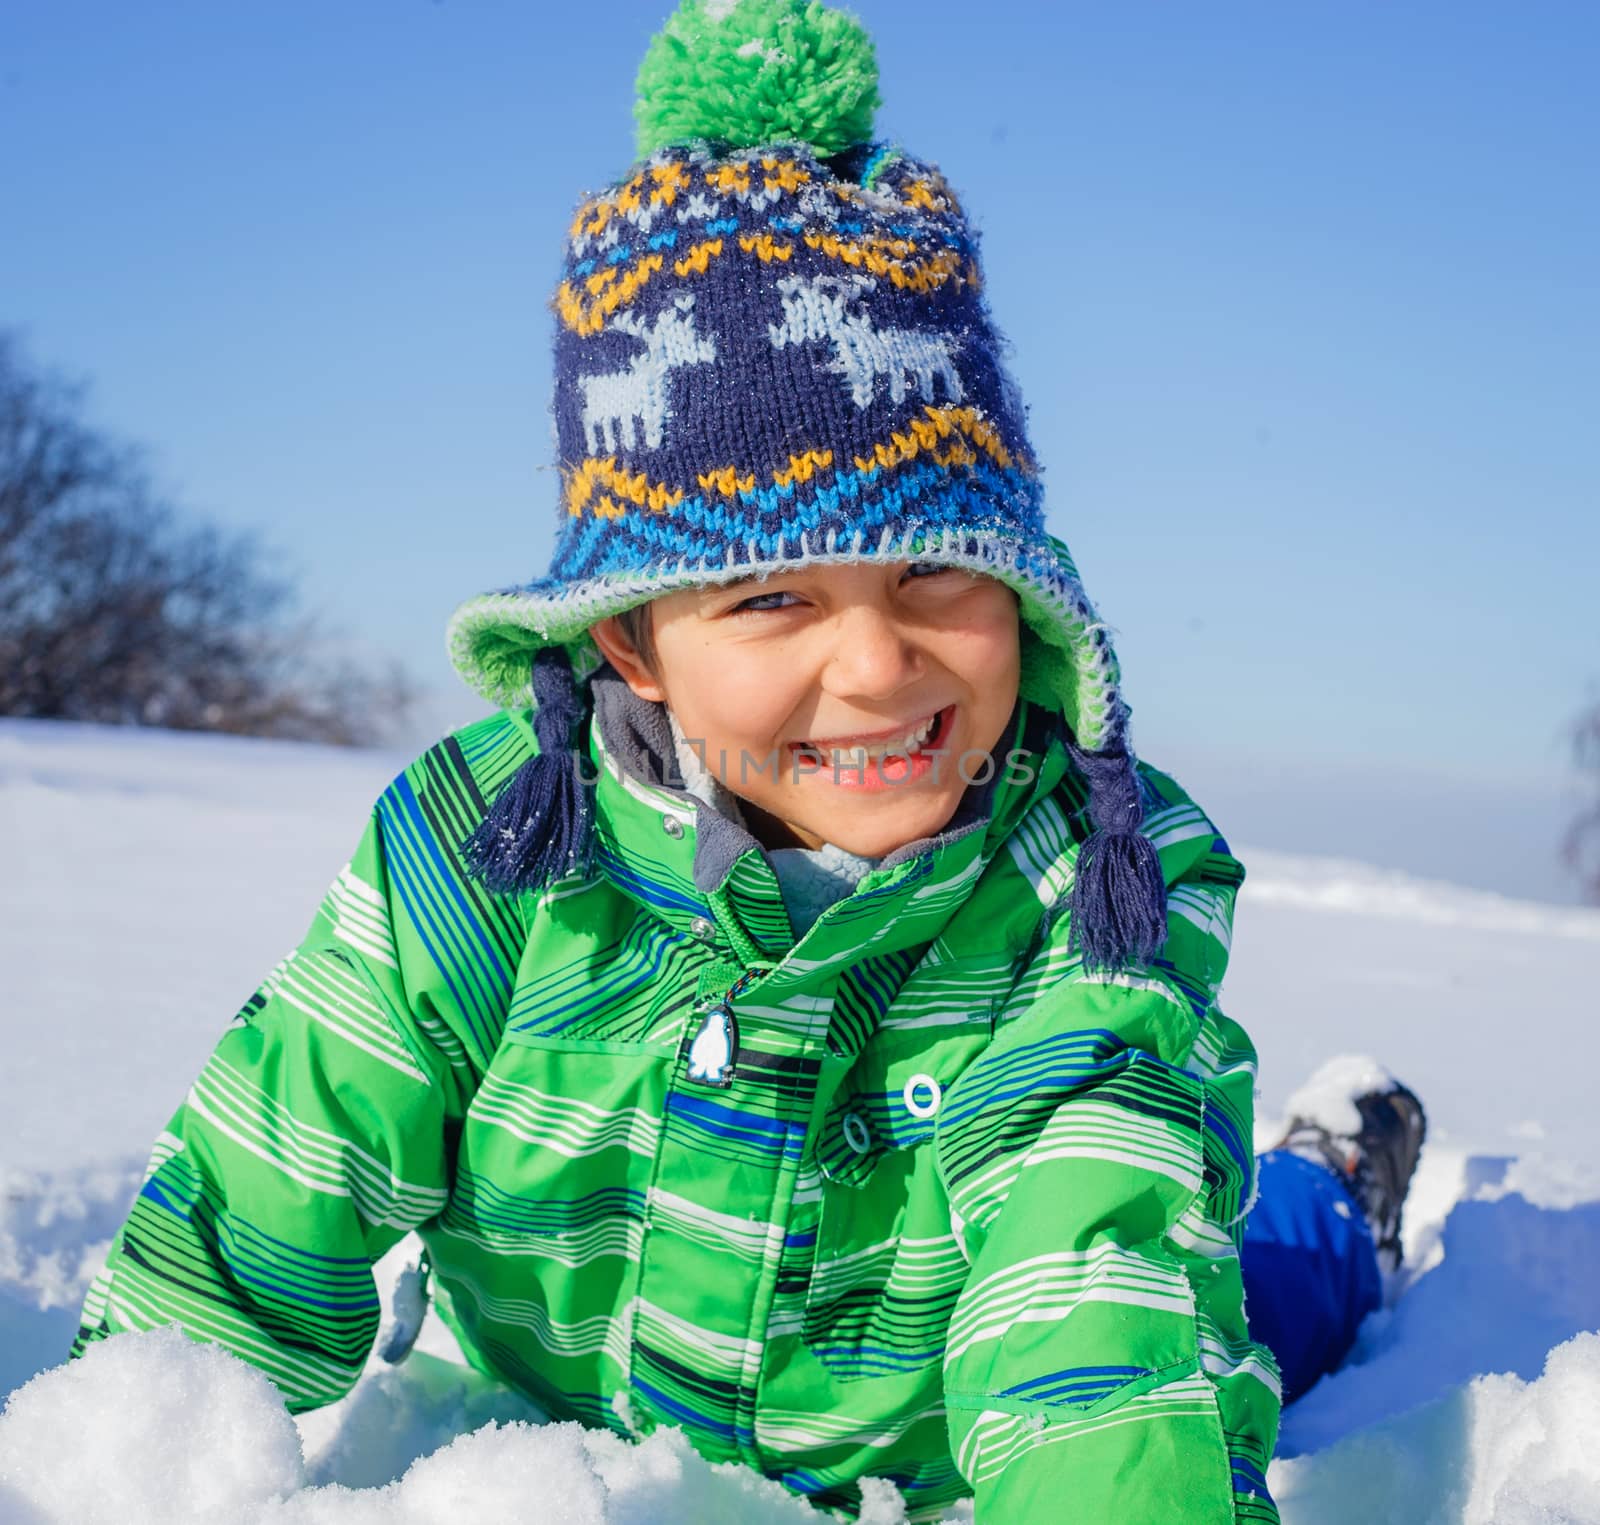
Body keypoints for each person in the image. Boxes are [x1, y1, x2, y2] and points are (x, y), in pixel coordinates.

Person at [70, 3, 1418, 1518]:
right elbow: (270, 1191)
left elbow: (1092, 1290)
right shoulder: (487, 856)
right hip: (562, 1407)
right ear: (633, 643)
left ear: (1025, 593)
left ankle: (1334, 1182)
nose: (877, 663)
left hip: (949, 1424)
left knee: (1245, 1287)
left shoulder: (1082, 893)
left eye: (935, 574)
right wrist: (119, 1466)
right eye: (774, 597)